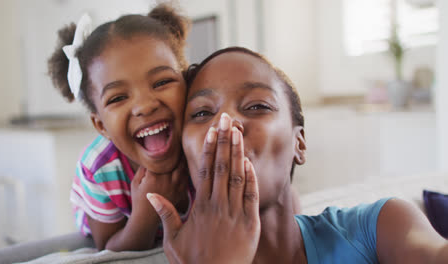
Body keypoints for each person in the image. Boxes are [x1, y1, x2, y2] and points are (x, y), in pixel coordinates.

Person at [147, 47, 448, 263]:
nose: (227, 123)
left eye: (256, 106)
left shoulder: (381, 226)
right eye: (201, 113)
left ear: (299, 143)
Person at [47, 3, 192, 251]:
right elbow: (108, 248)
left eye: (162, 82)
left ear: (188, 82)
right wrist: (146, 214)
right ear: (100, 124)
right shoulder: (99, 167)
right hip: (117, 228)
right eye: (117, 98)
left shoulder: (204, 143)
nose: (144, 106)